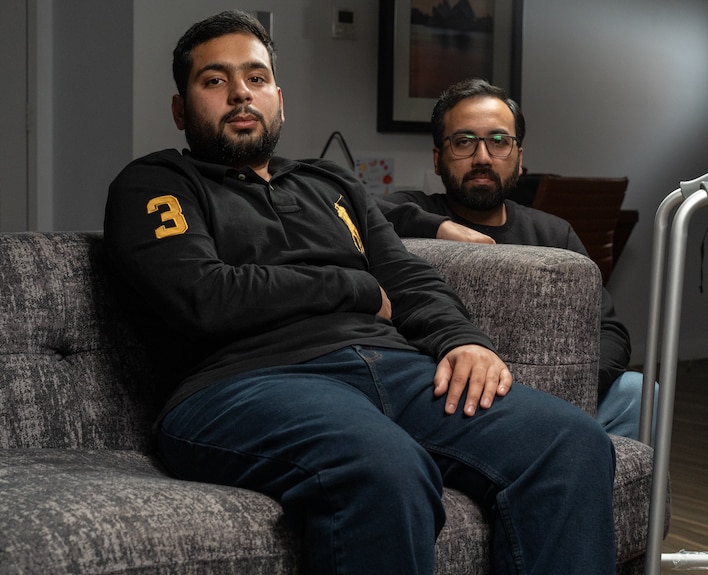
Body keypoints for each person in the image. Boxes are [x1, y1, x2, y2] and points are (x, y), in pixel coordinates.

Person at [103, 11, 616, 575]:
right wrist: (354, 287)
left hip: (392, 367)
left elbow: (406, 277)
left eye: (255, 77)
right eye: (214, 81)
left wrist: (464, 340)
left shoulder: (331, 183)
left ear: (279, 96)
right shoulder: (156, 183)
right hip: (243, 384)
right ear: (181, 108)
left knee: (571, 443)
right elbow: (201, 295)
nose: (239, 95)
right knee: (386, 468)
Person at [377, 78, 655, 442]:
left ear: (519, 159)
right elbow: (353, 207)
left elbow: (609, 331)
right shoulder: (414, 213)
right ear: (438, 158)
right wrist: (442, 227)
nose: (481, 158)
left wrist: (561, 384)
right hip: (458, 398)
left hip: (551, 391)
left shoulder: (555, 235)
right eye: (463, 142)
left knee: (638, 391)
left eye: (498, 142)